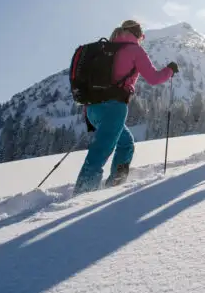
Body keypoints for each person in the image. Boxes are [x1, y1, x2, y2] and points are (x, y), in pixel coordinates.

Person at [73, 20, 178, 194]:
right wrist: (170, 70)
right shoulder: (134, 50)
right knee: (100, 152)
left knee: (126, 143)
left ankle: (115, 184)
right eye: (142, 36)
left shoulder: (105, 49)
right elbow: (153, 78)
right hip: (113, 108)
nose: (141, 39)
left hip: (92, 109)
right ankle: (81, 195)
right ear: (137, 34)